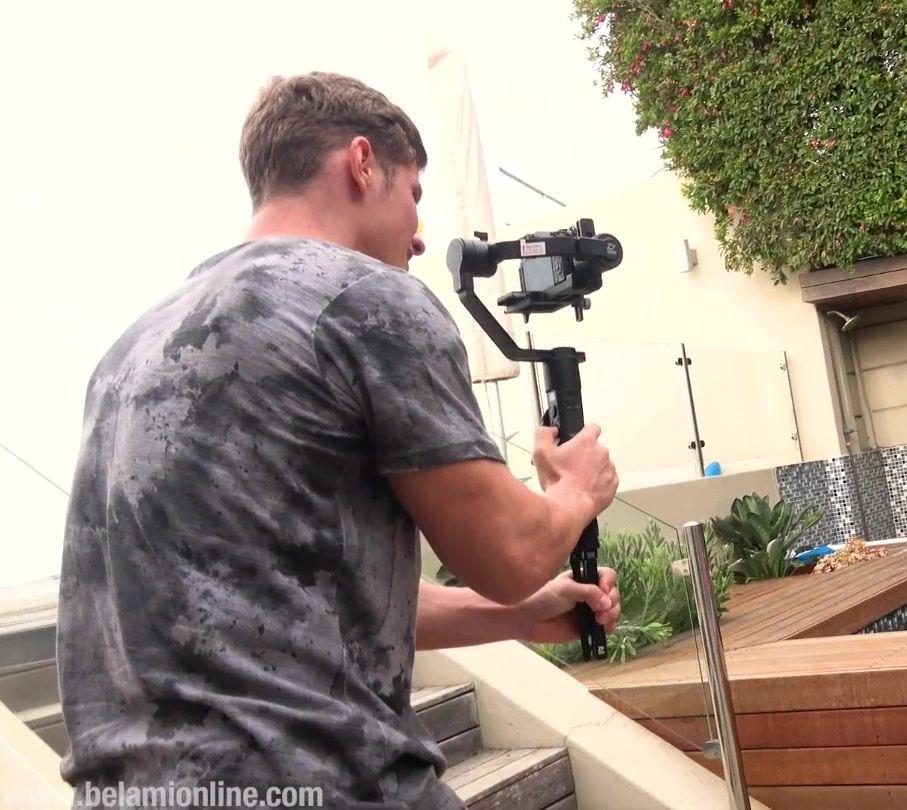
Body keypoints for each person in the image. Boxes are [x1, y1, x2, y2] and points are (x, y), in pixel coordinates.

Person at [56, 71, 621, 809]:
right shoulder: (365, 298)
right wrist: (575, 491)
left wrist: (514, 617)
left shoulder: (130, 350)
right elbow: (509, 555)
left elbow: (294, 596)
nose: (419, 235)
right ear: (361, 163)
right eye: (413, 194)